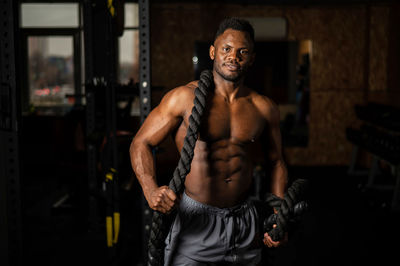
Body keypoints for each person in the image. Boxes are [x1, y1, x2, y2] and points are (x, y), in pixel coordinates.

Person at [130, 17, 288, 266]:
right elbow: (140, 143)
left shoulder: (264, 107)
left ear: (252, 58)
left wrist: (280, 215)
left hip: (244, 221)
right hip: (195, 221)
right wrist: (150, 189)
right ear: (213, 52)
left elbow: (276, 162)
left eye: (242, 51)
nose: (233, 57)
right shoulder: (183, 98)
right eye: (226, 49)